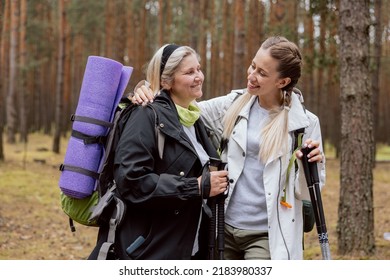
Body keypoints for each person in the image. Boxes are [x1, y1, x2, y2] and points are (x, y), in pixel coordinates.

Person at [133, 36, 326, 260]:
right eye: (253, 66)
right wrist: (146, 88)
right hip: (222, 227)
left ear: (282, 82)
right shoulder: (232, 104)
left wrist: (308, 165)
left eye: (262, 73)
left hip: (267, 234)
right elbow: (180, 107)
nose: (252, 75)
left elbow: (307, 193)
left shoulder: (304, 124)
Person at [88, 44, 229, 260]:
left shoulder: (194, 119)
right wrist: (195, 186)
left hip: (188, 246)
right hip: (149, 249)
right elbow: (131, 179)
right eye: (189, 72)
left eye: (198, 69)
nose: (199, 76)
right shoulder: (145, 114)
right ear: (166, 81)